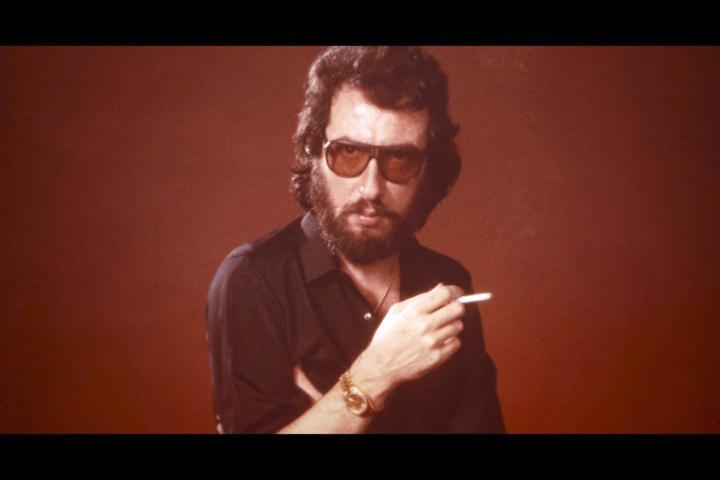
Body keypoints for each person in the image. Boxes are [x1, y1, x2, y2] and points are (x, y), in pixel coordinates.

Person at [205, 46, 505, 433]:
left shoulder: (447, 284)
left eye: (400, 159)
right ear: (314, 150)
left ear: (428, 168)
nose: (371, 188)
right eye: (348, 152)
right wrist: (375, 373)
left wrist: (328, 418)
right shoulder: (253, 279)